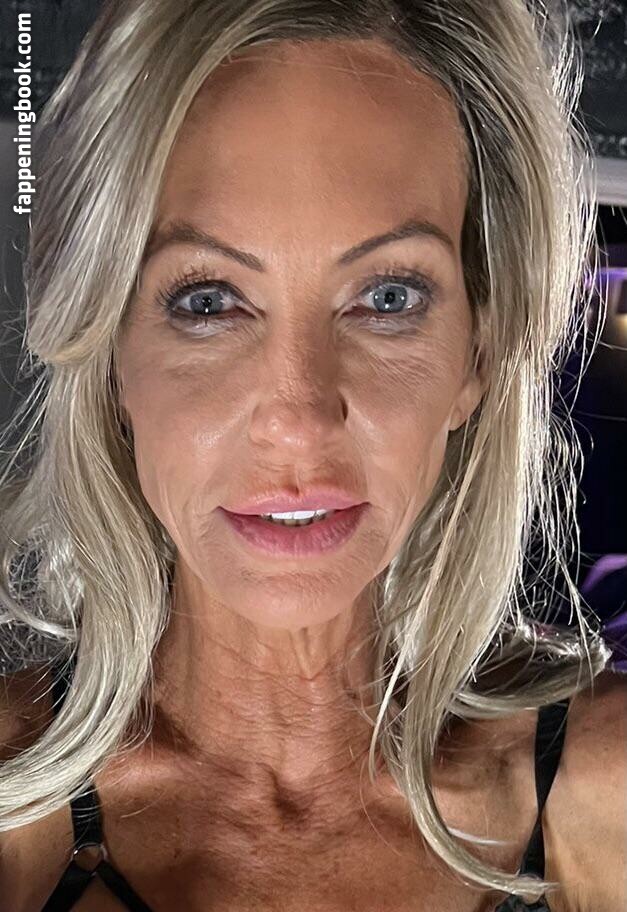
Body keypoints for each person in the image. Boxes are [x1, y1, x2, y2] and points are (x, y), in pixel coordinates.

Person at [0, 1, 625, 910]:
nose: (297, 422)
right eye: (207, 301)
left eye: (387, 297)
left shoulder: (604, 793)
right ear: (109, 359)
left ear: (476, 357)